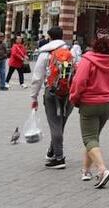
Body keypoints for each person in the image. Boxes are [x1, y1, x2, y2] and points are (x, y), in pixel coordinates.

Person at [69, 34, 109, 189]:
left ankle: (102, 170)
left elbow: (79, 81)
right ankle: (86, 170)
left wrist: (74, 98)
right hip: (107, 103)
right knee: (93, 137)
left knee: (89, 138)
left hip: (89, 102)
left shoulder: (87, 60)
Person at [30, 26, 74, 169]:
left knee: (55, 125)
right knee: (60, 124)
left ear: (49, 36)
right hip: (69, 92)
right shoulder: (71, 51)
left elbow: (37, 77)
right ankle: (52, 151)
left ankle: (59, 158)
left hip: (52, 92)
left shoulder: (45, 53)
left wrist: (34, 97)